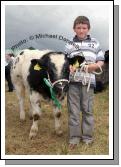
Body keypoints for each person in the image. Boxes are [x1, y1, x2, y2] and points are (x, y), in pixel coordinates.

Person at [65, 16, 105, 149]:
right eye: (78, 28)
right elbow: (66, 61)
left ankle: (87, 137)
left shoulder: (95, 43)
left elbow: (100, 61)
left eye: (84, 28)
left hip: (89, 81)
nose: (81, 30)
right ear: (74, 29)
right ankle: (74, 138)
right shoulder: (69, 43)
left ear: (88, 29)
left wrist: (90, 67)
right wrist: (70, 66)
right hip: (73, 82)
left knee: (87, 110)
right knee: (73, 110)